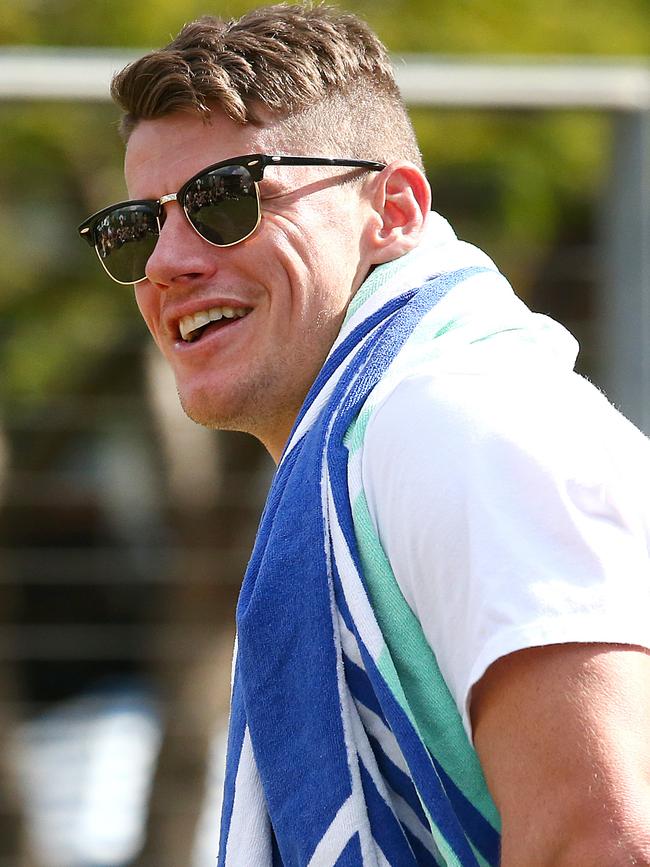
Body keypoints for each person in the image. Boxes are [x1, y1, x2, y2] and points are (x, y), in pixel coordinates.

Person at [78, 5, 650, 864]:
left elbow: (602, 837)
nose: (166, 262)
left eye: (226, 198)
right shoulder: (382, 442)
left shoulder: (460, 420)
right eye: (138, 227)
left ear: (395, 209)